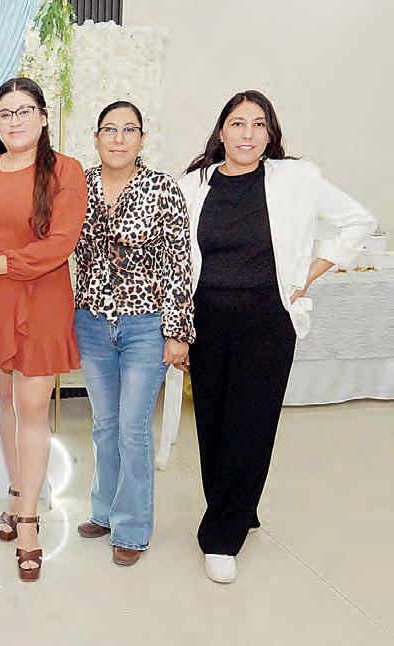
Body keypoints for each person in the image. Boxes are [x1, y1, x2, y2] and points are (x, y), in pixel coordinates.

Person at [178, 90, 376, 583]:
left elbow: (359, 221)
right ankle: (238, 508)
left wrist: (309, 274)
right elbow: (175, 257)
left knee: (250, 424)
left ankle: (221, 536)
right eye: (238, 123)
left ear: (270, 134)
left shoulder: (296, 179)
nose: (247, 134)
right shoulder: (193, 185)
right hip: (207, 320)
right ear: (221, 131)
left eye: (258, 124)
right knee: (213, 424)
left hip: (267, 321)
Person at [0, 77, 87, 582]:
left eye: (24, 110)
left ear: (43, 117)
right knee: (6, 402)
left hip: (41, 297)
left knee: (32, 408)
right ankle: (16, 493)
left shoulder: (65, 170)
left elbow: (60, 244)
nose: (15, 121)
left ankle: (29, 520)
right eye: (5, 113)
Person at [73, 101, 193, 566]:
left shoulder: (163, 189)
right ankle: (103, 511)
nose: (119, 138)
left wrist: (177, 331)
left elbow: (179, 263)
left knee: (132, 427)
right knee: (104, 425)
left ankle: (132, 528)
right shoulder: (78, 186)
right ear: (96, 138)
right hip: (92, 322)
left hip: (146, 326)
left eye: (129, 130)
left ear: (143, 138)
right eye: (110, 129)